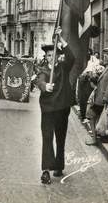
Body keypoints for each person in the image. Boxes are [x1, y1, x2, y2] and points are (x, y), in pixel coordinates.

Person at [36, 28, 75, 184]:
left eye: (54, 55)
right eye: (49, 55)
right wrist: (45, 86)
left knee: (60, 138)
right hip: (48, 110)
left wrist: (61, 39)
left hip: (62, 108)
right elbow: (39, 80)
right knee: (47, 138)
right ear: (46, 57)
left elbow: (72, 57)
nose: (51, 58)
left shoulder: (64, 68)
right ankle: (46, 170)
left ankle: (58, 165)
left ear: (59, 57)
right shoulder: (43, 70)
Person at [87, 47, 108, 144]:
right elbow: (105, 80)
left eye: (107, 54)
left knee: (91, 115)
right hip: (101, 97)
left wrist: (106, 98)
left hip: (105, 98)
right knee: (103, 118)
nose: (104, 56)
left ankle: (95, 139)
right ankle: (102, 135)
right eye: (104, 53)